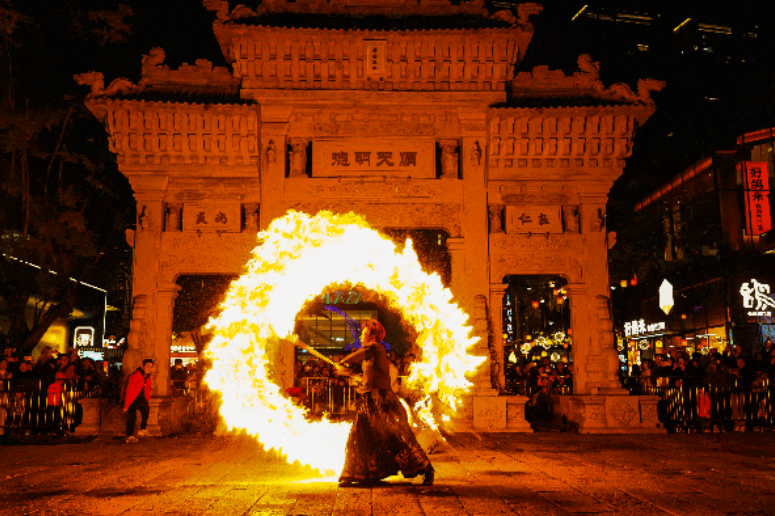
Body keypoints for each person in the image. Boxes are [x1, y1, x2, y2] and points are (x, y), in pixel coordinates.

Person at [334, 319, 433, 487]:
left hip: (382, 400)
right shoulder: (369, 356)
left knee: (397, 438)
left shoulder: (375, 347)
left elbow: (356, 356)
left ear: (371, 335)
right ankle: (362, 473)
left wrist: (342, 362)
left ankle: (426, 469)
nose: (360, 336)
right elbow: (368, 378)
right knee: (360, 437)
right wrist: (348, 373)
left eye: (363, 333)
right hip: (369, 401)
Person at [123, 359, 153, 443]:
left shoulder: (147, 376)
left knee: (146, 410)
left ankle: (142, 429)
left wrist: (147, 400)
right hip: (133, 397)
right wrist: (126, 405)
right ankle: (129, 435)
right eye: (147, 367)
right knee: (132, 416)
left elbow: (147, 389)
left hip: (140, 396)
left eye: (151, 367)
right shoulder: (136, 376)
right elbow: (129, 390)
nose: (149, 369)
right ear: (143, 367)